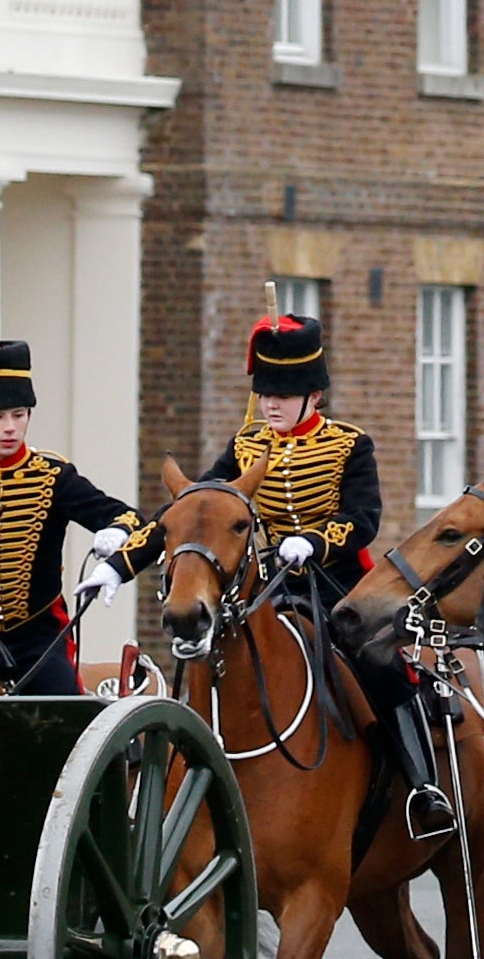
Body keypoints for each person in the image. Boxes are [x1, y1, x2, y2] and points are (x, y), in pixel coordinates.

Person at [125, 313, 450, 838]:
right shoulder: (245, 446)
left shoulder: (348, 445)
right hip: (266, 586)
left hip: (337, 585)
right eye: (265, 392)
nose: (271, 403)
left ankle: (420, 785)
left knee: (379, 663)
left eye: (285, 392)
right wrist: (126, 560)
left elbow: (363, 518)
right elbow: (197, 508)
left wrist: (317, 541)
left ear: (313, 396)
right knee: (214, 654)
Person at [0, 338, 135, 693]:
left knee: (64, 711)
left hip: (40, 638)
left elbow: (130, 518)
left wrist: (116, 536)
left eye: (19, 415)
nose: (9, 427)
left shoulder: (53, 477)